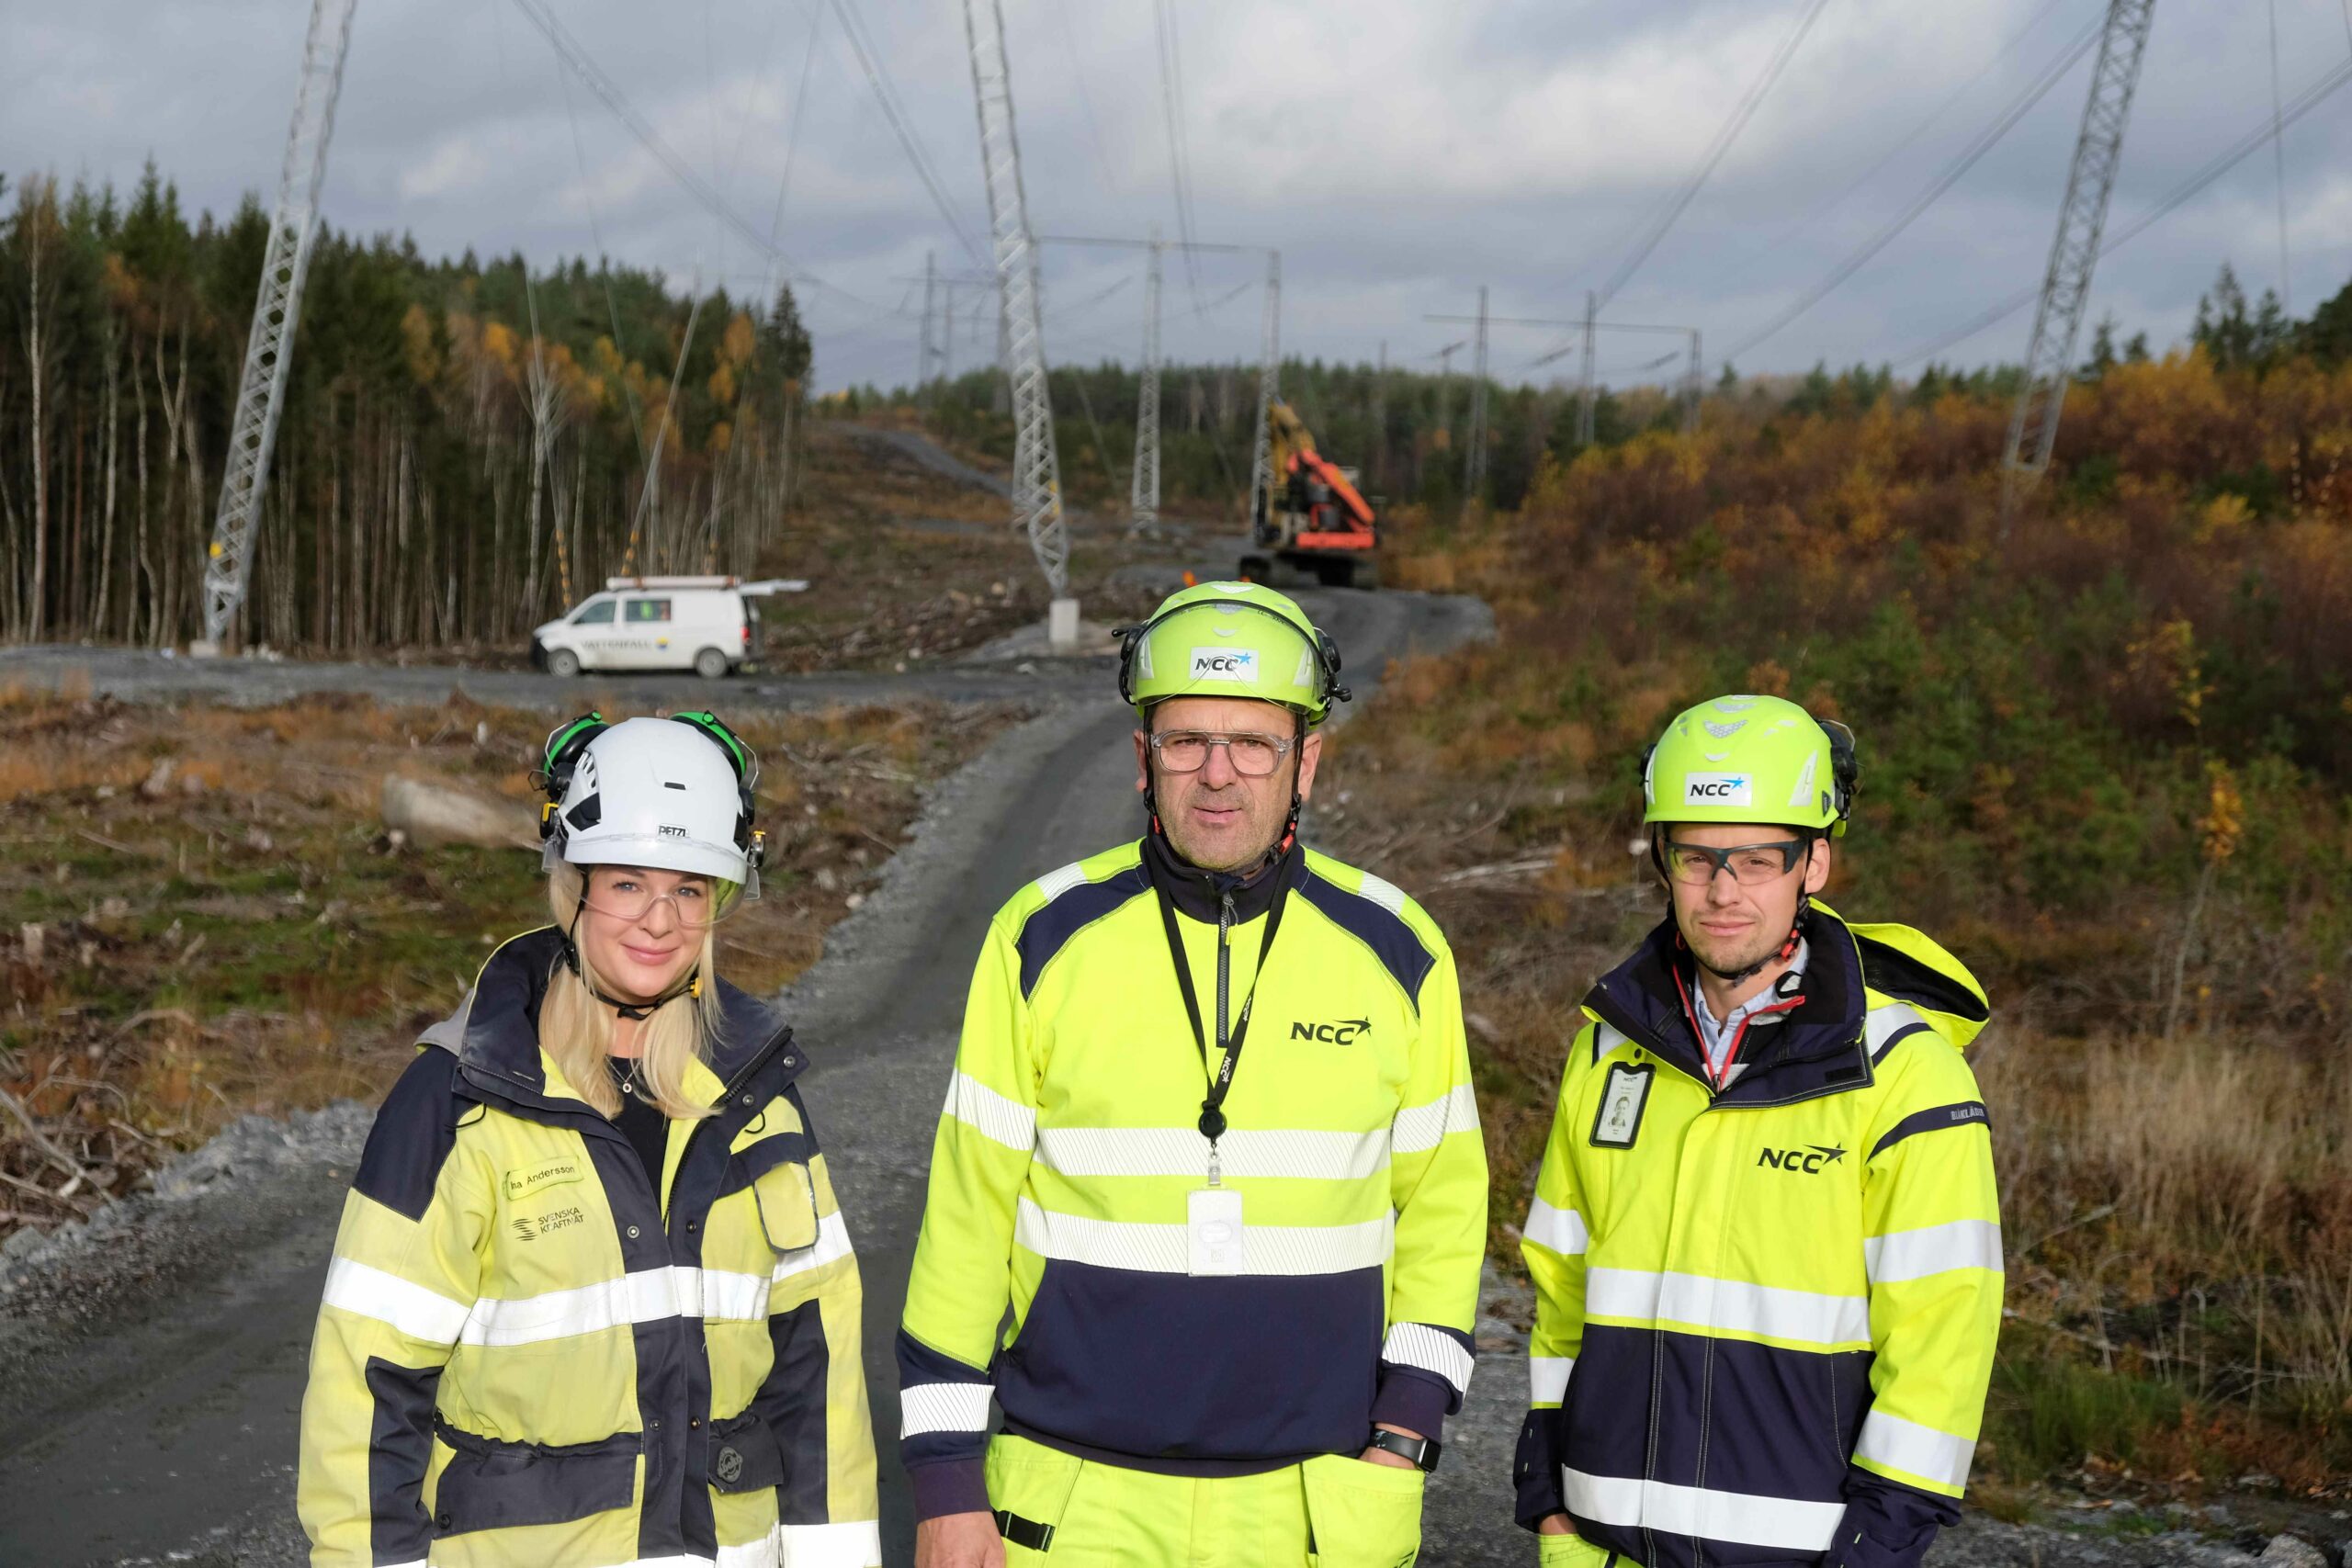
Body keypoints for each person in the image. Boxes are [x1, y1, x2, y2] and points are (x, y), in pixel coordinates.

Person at [898, 582, 1488, 1567]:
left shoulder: (1397, 949)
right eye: (1186, 742)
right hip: (1072, 1505)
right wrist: (947, 1481)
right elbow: (965, 1223)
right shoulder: (1042, 938)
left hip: (1312, 1509)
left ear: (1308, 760)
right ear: (1143, 759)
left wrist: (1404, 1435)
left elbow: (1445, 1212)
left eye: (1253, 743)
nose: (1218, 775)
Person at [297, 711, 879, 1568]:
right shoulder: (460, 1100)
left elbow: (817, 1376)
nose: (659, 919)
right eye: (628, 883)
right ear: (573, 886)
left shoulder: (759, 1104)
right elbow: (367, 1381)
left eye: (689, 887)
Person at [1514, 694, 2002, 1568]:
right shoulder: (1608, 1048)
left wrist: (1879, 1545)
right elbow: (1561, 1286)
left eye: (1759, 858)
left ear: (1815, 862)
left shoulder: (1902, 1069)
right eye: (1697, 857)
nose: (1724, 890)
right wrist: (1549, 1493)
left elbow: (1943, 1338)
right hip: (1596, 1546)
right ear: (1663, 860)